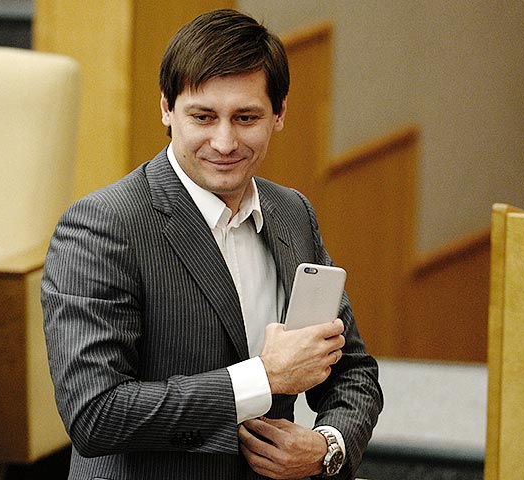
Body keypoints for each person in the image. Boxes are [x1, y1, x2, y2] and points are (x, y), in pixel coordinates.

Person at [42, 8, 382, 480]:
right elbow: (95, 414)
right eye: (203, 117)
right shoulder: (103, 225)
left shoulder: (293, 212)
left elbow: (353, 371)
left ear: (279, 114)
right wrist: (264, 377)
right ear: (167, 108)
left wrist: (327, 446)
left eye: (246, 118)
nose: (224, 142)